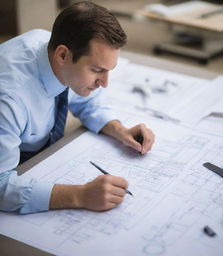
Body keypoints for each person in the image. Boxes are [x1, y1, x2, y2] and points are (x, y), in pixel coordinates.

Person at [0, 1, 155, 214]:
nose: (105, 83)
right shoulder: (8, 100)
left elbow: (88, 100)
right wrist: (80, 195)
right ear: (62, 55)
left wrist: (120, 130)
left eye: (109, 70)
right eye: (97, 70)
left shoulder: (55, 51)